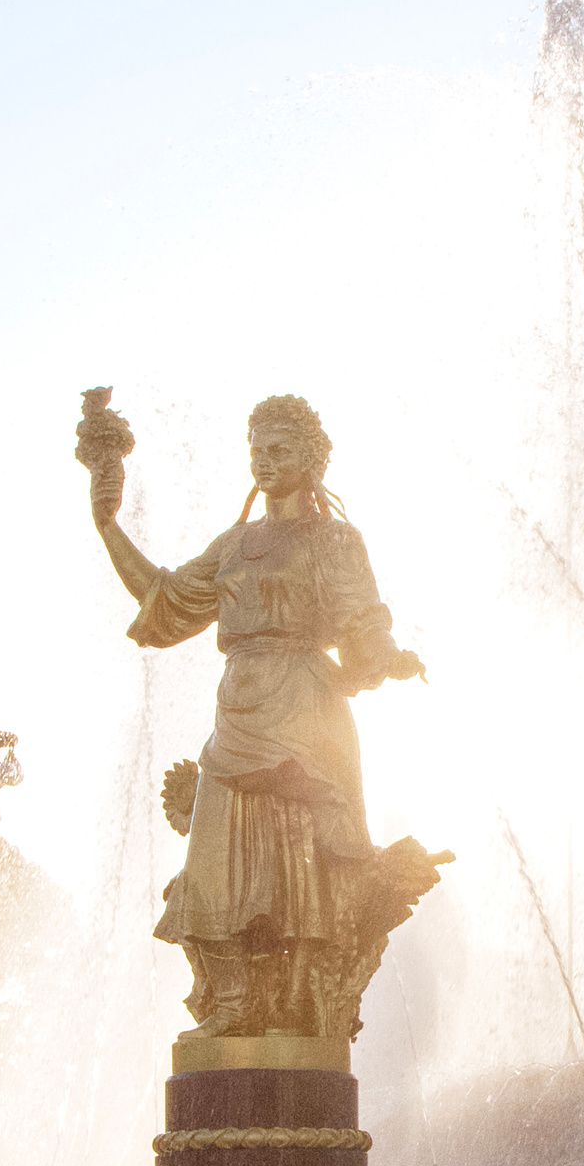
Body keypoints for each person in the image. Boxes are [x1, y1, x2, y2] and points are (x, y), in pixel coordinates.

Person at [88, 395, 422, 1036]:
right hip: (239, 708)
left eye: (280, 451)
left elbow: (365, 622)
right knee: (212, 870)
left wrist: (389, 656)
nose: (264, 463)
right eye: (257, 451)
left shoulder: (335, 541)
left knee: (302, 867)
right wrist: (108, 525)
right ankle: (234, 1003)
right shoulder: (235, 544)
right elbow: (166, 597)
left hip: (305, 711)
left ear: (311, 460)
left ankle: (294, 1007)